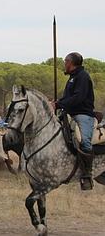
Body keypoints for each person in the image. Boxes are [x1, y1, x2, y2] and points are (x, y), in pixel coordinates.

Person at [54, 52, 96, 190]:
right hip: (69, 114)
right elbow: (69, 98)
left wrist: (59, 104)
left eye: (65, 61)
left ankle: (87, 174)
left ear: (71, 63)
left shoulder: (82, 77)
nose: (64, 64)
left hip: (83, 115)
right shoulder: (73, 77)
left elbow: (78, 98)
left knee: (84, 141)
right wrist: (57, 102)